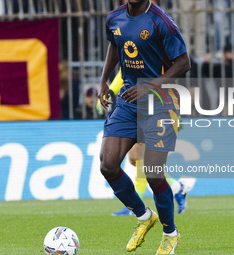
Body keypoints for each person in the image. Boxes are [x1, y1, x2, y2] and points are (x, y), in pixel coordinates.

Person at [99, 0, 190, 254]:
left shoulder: (161, 21)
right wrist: (104, 79)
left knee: (153, 173)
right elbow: (115, 47)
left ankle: (170, 233)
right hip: (129, 100)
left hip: (161, 102)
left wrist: (149, 86)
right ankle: (143, 216)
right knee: (108, 164)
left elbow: (184, 63)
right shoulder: (114, 18)